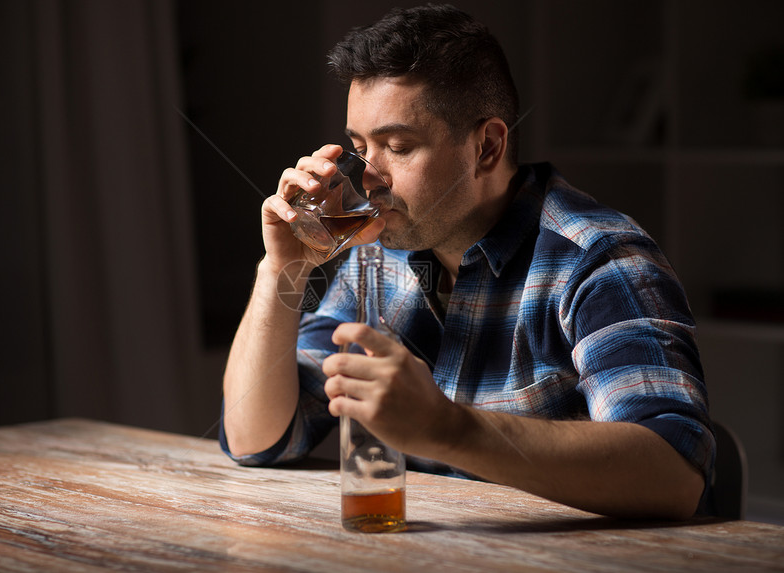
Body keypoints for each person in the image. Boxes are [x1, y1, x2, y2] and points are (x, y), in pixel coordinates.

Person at [221, 4, 714, 520]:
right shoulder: (378, 255)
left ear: (487, 146)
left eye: (398, 146)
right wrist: (282, 268)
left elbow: (674, 475)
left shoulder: (597, 260)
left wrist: (448, 429)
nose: (367, 177)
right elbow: (257, 439)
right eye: (359, 146)